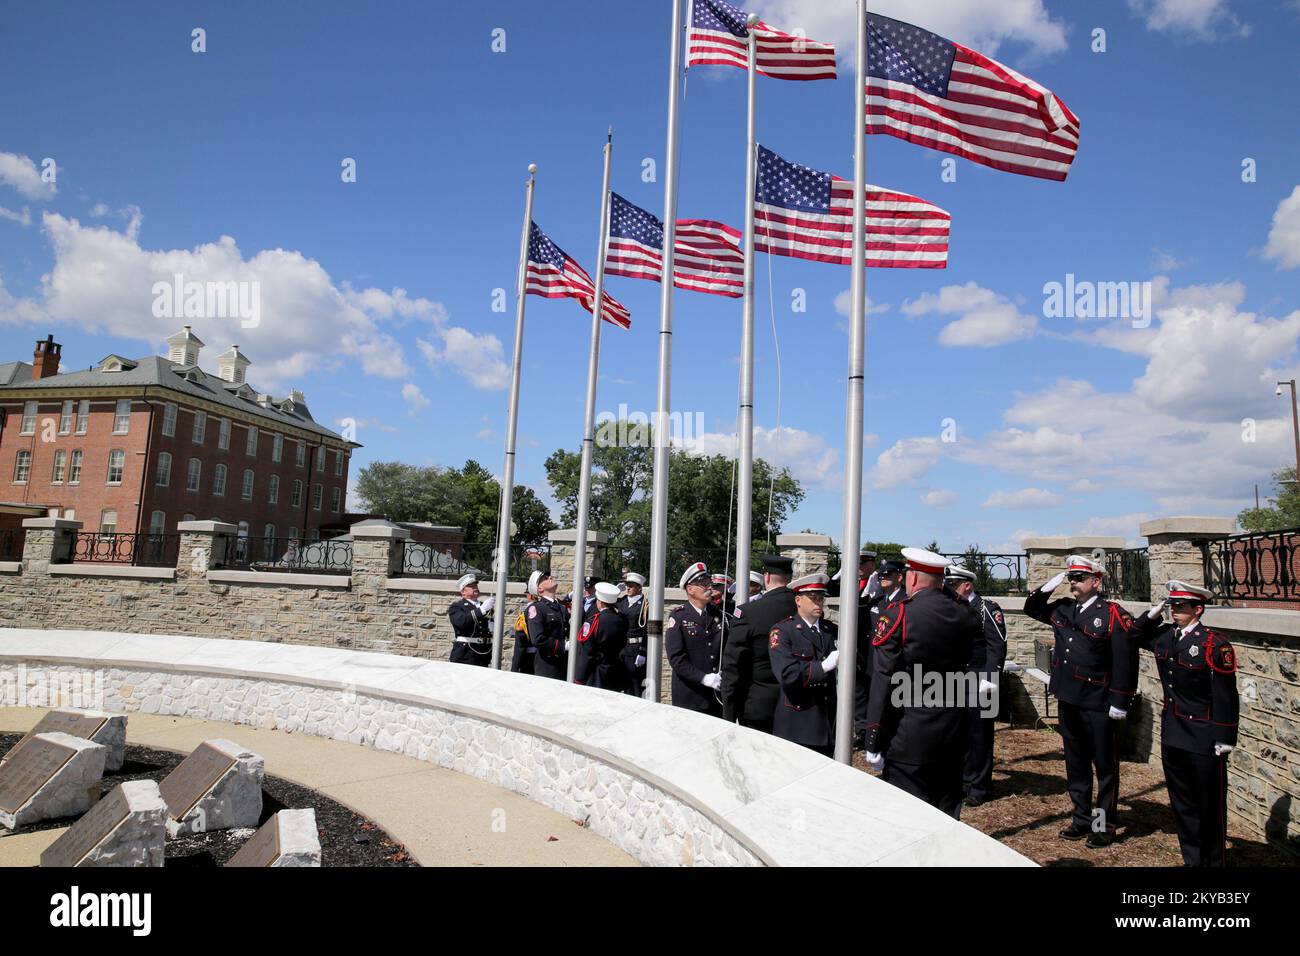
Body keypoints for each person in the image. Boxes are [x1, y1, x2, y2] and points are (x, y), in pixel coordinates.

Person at [1024, 554, 1136, 848]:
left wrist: (1120, 700)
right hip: (1069, 698)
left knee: (1104, 766)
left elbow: (1125, 660)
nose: (1073, 583)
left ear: (1095, 581)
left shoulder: (1112, 613)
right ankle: (1081, 819)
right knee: (1076, 764)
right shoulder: (1063, 609)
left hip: (1098, 702)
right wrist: (1053, 582)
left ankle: (1103, 825)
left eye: (1079, 578)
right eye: (1071, 578)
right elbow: (1032, 608)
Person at [1128, 581, 1239, 866]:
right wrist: (1153, 614)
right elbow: (1133, 635)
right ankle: (1193, 861)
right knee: (1183, 804)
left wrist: (1225, 736)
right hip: (1174, 733)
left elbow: (1225, 693)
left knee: (1210, 805)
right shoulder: (1165, 637)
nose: (1175, 610)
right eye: (1172, 605)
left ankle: (1214, 862)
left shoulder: (1214, 643)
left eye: (1181, 606)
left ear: (1198, 609)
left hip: (1203, 735)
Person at [864, 548, 979, 818]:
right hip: (953, 729)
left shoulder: (899, 615)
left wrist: (874, 737)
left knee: (908, 818)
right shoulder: (964, 615)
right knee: (947, 812)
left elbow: (884, 680)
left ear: (912, 579)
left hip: (909, 733)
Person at [945, 564, 1008, 807]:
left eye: (954, 585)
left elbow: (997, 645)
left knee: (980, 736)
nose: (950, 589)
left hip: (980, 678)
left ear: (967, 585)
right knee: (959, 733)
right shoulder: (952, 607)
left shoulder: (985, 608)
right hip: (957, 678)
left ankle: (979, 787)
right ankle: (962, 780)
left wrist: (990, 678)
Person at [720, 554, 795, 734]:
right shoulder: (801, 608)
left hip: (759, 706)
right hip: (797, 705)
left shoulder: (749, 613)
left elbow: (733, 664)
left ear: (766, 577)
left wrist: (729, 712)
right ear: (789, 577)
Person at [768, 573, 839, 755]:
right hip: (798, 724)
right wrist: (822, 667)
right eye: (813, 598)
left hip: (827, 722)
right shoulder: (783, 631)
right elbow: (787, 674)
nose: (819, 603)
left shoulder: (831, 631)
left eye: (821, 598)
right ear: (798, 600)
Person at [855, 557, 905, 745]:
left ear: (899, 577)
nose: (883, 578)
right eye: (881, 574)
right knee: (872, 701)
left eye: (888, 575)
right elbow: (861, 623)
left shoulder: (905, 601)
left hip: (893, 663)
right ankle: (870, 736)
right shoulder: (876, 601)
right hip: (873, 660)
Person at [666, 562, 725, 717]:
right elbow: (677, 658)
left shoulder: (719, 615)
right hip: (690, 696)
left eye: (708, 582)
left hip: (716, 696)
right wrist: (703, 678)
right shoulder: (679, 617)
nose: (708, 587)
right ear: (690, 589)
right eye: (703, 583)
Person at [574, 581, 629, 691]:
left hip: (597, 673)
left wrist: (579, 678)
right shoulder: (622, 619)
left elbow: (588, 653)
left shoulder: (594, 621)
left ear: (600, 602)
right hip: (616, 671)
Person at [526, 569, 570, 681]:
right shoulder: (536, 608)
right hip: (547, 666)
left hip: (564, 664)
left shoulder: (561, 608)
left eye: (548, 576)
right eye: (545, 578)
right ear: (540, 589)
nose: (550, 577)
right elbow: (537, 639)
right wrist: (562, 645)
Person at [448, 573, 494, 667]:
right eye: (471, 586)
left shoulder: (484, 605)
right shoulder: (457, 607)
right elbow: (461, 622)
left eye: (475, 585)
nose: (475, 588)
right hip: (466, 653)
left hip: (484, 652)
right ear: (463, 592)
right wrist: (482, 610)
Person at [616, 572, 649, 697]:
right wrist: (616, 590)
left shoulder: (645, 606)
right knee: (623, 685)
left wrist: (643, 652)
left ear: (639, 587)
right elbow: (606, 600)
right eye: (626, 585)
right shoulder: (622, 602)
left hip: (636, 649)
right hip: (622, 649)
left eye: (631, 585)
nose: (628, 588)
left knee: (635, 687)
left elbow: (648, 631)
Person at [510, 573, 543, 674]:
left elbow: (521, 640)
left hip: (531, 656)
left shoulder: (529, 610)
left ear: (530, 595)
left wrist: (515, 665)